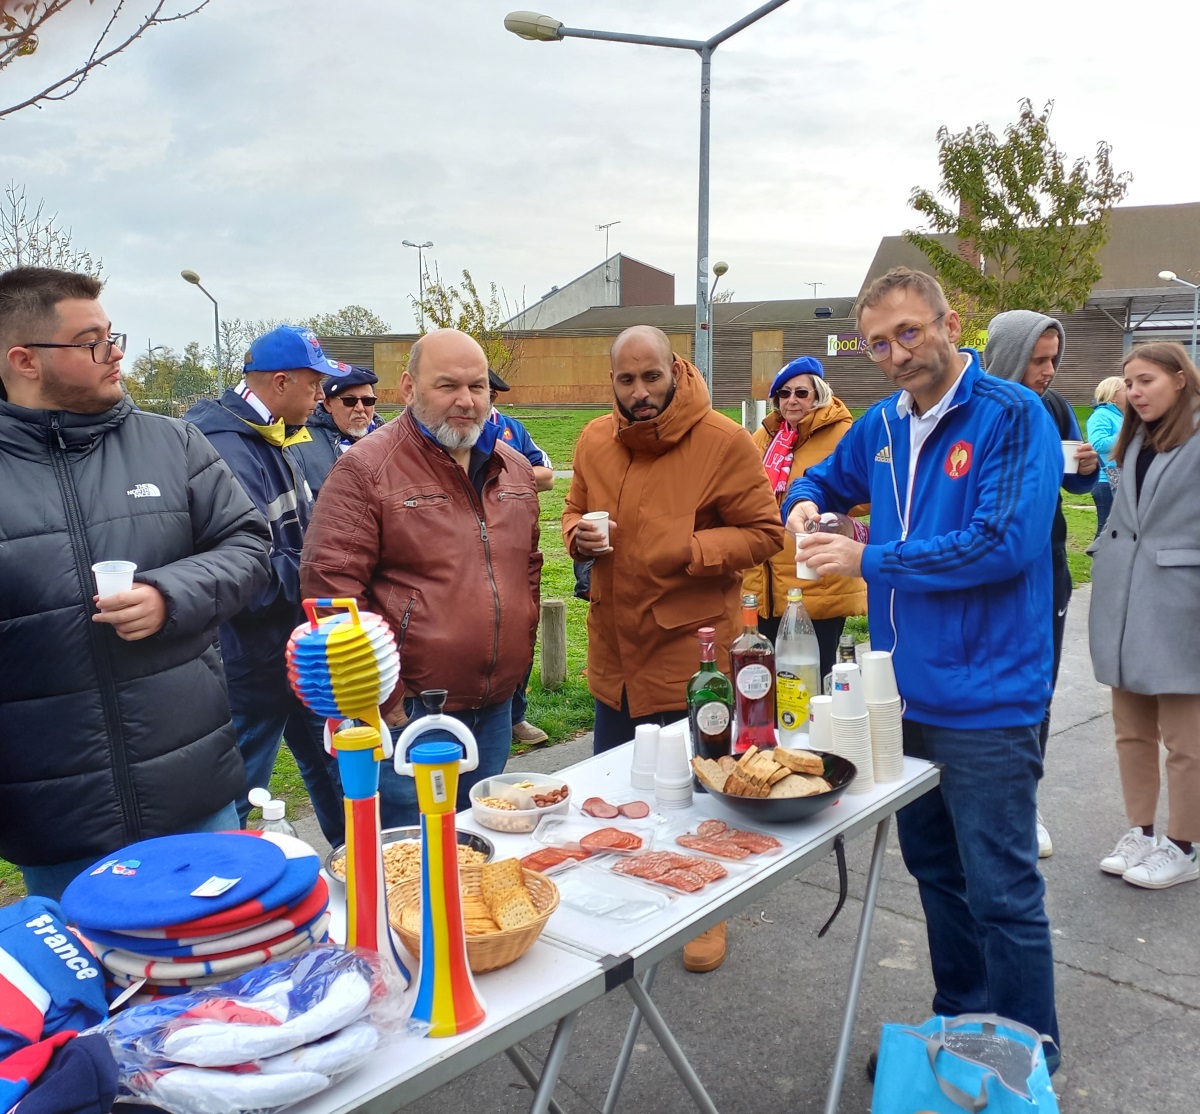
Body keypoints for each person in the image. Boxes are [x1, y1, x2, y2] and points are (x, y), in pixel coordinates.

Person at [784, 267, 1062, 1065]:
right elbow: (814, 477)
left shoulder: (1013, 415)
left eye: (910, 332)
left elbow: (1001, 543)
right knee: (937, 877)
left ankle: (1028, 1057)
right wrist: (801, 503)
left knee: (1003, 891)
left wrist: (869, 556)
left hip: (989, 700)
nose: (897, 354)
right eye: (877, 343)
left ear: (950, 320)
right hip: (900, 700)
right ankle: (961, 1032)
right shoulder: (878, 425)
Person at [0, 266, 271, 900]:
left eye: (113, 334)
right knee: (93, 992)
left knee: (224, 976)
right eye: (93, 340)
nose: (116, 353)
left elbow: (249, 545)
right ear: (25, 360)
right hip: (56, 815)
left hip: (194, 789)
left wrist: (169, 594)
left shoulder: (172, 443)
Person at [564, 324, 784, 973]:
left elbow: (766, 533)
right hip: (615, 653)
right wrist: (578, 534)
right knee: (617, 793)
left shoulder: (722, 441)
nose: (639, 392)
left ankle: (704, 910)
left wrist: (692, 550)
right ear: (612, 381)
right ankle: (624, 902)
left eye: (650, 376)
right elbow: (573, 509)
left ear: (674, 369)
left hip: (693, 658)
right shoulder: (593, 440)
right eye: (626, 380)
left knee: (693, 795)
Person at [300, 329, 542, 826]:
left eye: (478, 387)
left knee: (476, 849)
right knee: (410, 863)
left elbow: (529, 570)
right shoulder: (366, 470)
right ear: (409, 388)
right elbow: (331, 593)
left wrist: (515, 668)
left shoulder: (514, 470)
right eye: (447, 386)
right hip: (410, 716)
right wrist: (384, 700)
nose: (465, 401)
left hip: (494, 709)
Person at [185, 326, 349, 847]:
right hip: (249, 658)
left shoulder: (271, 433)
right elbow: (246, 574)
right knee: (238, 790)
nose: (322, 398)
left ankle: (359, 866)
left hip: (295, 644)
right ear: (280, 381)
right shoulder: (224, 448)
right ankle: (223, 901)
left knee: (333, 769)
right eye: (315, 385)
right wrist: (322, 570)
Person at [984, 310, 1099, 859]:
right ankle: (974, 798)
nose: (1050, 371)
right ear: (1010, 355)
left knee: (1038, 690)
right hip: (983, 574)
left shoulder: (1053, 408)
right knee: (983, 689)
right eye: (1039, 359)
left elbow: (1077, 480)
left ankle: (1024, 805)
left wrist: (1085, 468)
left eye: (1055, 359)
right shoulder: (974, 408)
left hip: (1046, 570)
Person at [1089, 342, 1200, 890]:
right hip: (1123, 598)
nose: (1134, 391)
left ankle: (1185, 844)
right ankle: (1143, 830)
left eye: (1146, 380)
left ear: (1181, 378)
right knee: (1130, 730)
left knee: (1187, 738)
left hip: (1183, 600)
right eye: (1129, 382)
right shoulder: (1133, 439)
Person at [741, 355, 866, 679]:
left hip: (815, 578)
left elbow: (868, 495)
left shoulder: (843, 434)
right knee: (767, 676)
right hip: (767, 581)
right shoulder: (765, 437)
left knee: (809, 677)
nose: (791, 400)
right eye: (784, 393)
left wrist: (828, 511)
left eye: (801, 393)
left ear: (819, 394)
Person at [487, 368, 554, 746]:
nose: (484, 401)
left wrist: (502, 473)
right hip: (465, 548)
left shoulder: (511, 429)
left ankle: (516, 716)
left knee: (520, 630)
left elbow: (546, 475)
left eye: (490, 393)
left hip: (515, 546)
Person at [292, 365, 382, 496]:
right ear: (328, 404)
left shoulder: (390, 440)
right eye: (350, 401)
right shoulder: (300, 444)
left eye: (368, 401)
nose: (360, 408)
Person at [1086, 375, 1127, 538]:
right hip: (1105, 479)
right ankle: (1099, 561)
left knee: (1116, 526)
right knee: (1106, 528)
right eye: (1126, 389)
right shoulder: (1101, 415)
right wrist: (1127, 434)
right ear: (1113, 395)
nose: (1131, 392)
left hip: (1117, 476)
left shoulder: (1120, 416)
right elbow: (1098, 444)